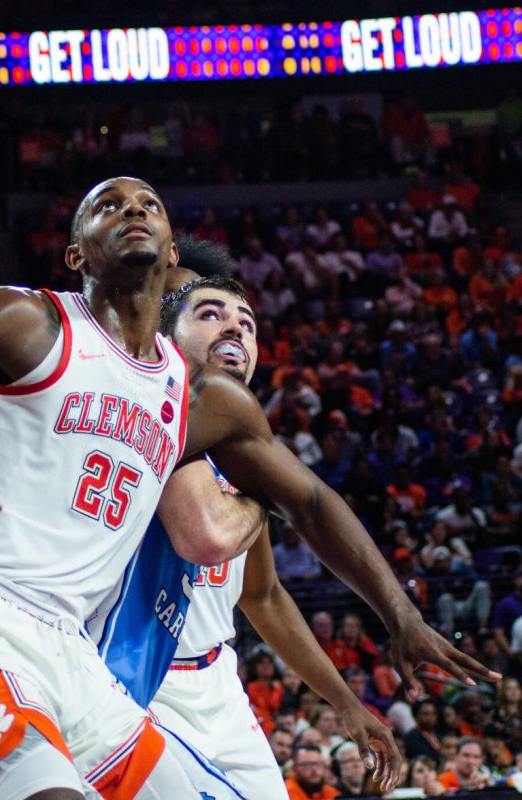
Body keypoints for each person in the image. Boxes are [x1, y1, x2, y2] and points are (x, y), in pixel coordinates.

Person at [0, 176, 493, 798]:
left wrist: (400, 615)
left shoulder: (199, 399)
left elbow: (311, 503)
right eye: (107, 205)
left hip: (75, 657)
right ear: (78, 254)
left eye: (148, 205)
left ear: (171, 254)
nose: (132, 210)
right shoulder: (24, 322)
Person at [94, 271, 398, 797]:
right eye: (210, 314)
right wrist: (267, 487)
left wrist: (346, 702)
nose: (235, 328)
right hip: (138, 676)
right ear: (165, 336)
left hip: (219, 682)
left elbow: (262, 595)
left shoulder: (239, 451)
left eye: (248, 324)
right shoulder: (143, 422)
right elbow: (208, 535)